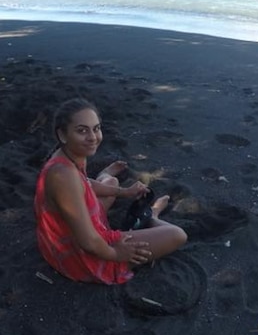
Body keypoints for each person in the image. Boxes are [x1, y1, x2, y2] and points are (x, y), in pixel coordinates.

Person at [34, 98, 187, 284]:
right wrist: (116, 253)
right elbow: (89, 242)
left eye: (96, 128)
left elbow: (84, 183)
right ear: (62, 134)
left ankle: (106, 175)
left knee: (111, 182)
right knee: (177, 235)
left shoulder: (67, 155)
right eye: (82, 130)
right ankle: (151, 216)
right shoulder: (63, 176)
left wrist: (124, 192)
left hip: (68, 233)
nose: (93, 137)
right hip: (80, 255)